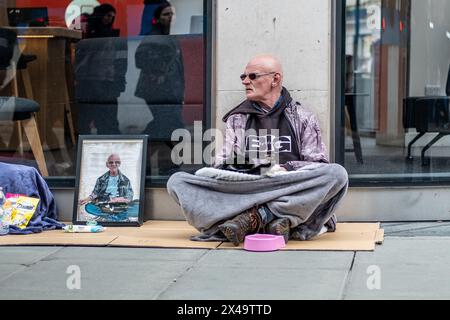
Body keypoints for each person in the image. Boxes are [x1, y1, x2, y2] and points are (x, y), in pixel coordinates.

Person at [167, 54, 349, 246]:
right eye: (243, 77)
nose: (245, 81)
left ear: (275, 79)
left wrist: (283, 169)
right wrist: (257, 168)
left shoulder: (303, 117)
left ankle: (257, 217)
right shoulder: (237, 119)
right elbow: (221, 163)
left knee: (337, 174)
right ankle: (275, 218)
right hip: (247, 188)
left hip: (287, 186)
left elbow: (318, 164)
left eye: (252, 76)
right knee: (176, 182)